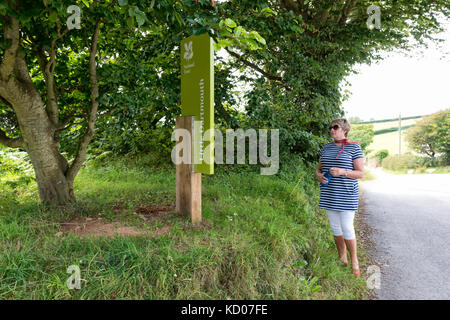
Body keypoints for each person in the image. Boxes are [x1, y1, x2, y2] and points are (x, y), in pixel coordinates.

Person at [315, 118, 364, 277]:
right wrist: (318, 176)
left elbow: (360, 173)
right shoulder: (326, 148)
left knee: (347, 227)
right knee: (335, 227)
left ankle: (354, 260)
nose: (332, 130)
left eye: (335, 127)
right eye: (330, 127)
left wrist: (343, 172)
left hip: (347, 194)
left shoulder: (354, 147)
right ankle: (342, 258)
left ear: (344, 130)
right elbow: (319, 170)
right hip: (330, 193)